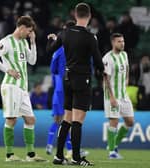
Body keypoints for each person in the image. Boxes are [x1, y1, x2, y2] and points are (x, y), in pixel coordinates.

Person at [46, 3, 104, 166]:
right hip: (82, 80)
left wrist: (51, 40)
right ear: (89, 17)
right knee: (77, 121)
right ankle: (76, 158)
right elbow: (99, 63)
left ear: (75, 15)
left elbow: (49, 51)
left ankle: (58, 156)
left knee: (67, 119)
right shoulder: (90, 37)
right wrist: (101, 73)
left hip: (67, 78)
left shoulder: (64, 33)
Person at [0, 16, 47, 162]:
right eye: (28, 31)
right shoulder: (6, 41)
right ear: (21, 27)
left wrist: (32, 42)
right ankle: (9, 155)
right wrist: (7, 69)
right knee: (12, 119)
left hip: (22, 88)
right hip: (11, 86)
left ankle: (31, 155)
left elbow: (32, 61)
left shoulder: (23, 42)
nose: (29, 33)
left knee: (30, 119)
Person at [102, 33, 134, 159]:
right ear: (113, 43)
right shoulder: (107, 58)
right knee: (114, 121)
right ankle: (112, 152)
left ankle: (113, 144)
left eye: (123, 41)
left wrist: (126, 79)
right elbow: (106, 79)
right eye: (119, 41)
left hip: (124, 95)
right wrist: (112, 97)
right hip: (112, 96)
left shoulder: (124, 55)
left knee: (130, 122)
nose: (122, 43)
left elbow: (127, 67)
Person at [46, 21, 75, 157]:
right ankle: (70, 150)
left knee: (58, 120)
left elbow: (52, 69)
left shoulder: (58, 49)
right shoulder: (73, 48)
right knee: (67, 120)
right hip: (68, 86)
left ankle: (50, 144)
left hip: (57, 87)